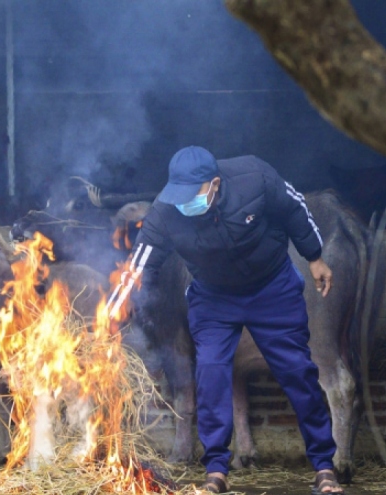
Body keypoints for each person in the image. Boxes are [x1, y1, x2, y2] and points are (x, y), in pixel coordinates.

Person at [108, 146, 344, 494]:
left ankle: (325, 466)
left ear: (214, 184)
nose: (183, 202)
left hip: (272, 287)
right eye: (178, 195)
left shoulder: (254, 177)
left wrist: (315, 257)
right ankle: (216, 470)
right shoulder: (166, 210)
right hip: (213, 295)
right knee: (211, 372)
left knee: (298, 371)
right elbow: (139, 262)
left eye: (192, 195)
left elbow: (294, 207)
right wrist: (115, 307)